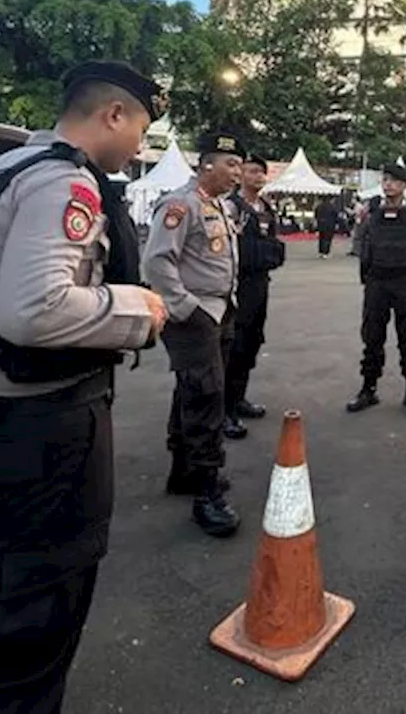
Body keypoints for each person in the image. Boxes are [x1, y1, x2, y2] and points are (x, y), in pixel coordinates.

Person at [0, 61, 167, 713]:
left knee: (3, 600)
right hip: (46, 433)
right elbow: (32, 310)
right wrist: (136, 310)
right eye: (141, 128)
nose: (140, 147)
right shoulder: (64, 180)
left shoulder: (4, 169)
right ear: (113, 115)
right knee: (36, 615)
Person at [143, 130, 244, 538]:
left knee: (192, 389)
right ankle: (206, 495)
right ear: (206, 164)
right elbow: (157, 262)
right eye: (230, 164)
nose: (237, 173)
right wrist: (187, 307)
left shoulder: (217, 205)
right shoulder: (180, 205)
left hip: (220, 310)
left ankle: (183, 471)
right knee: (207, 397)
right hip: (196, 315)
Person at [346, 163, 406, 415]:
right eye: (385, 180)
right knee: (372, 336)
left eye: (394, 181)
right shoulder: (370, 208)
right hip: (377, 280)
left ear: (404, 185)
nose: (388, 185)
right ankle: (368, 389)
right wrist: (367, 259)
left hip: (405, 281)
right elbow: (358, 236)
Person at [223, 153, 285, 439]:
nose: (258, 177)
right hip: (238, 287)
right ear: (241, 175)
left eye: (262, 173)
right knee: (234, 346)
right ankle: (225, 411)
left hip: (260, 285)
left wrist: (266, 255)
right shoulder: (232, 207)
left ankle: (240, 398)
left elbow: (275, 247)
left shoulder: (266, 208)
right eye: (252, 172)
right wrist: (262, 254)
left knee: (251, 343)